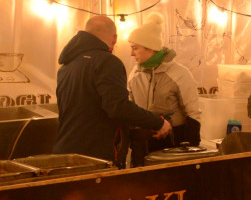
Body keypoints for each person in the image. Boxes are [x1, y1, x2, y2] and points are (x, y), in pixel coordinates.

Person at [52, 14, 172, 167]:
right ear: (115, 39)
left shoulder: (67, 65)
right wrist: (158, 122)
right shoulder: (107, 61)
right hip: (94, 157)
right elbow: (118, 107)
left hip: (65, 151)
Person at [125, 13, 203, 165]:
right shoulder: (134, 74)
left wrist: (192, 153)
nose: (131, 53)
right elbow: (130, 108)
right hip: (143, 144)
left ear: (151, 49)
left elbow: (193, 113)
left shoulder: (179, 73)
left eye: (135, 48)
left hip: (172, 145)